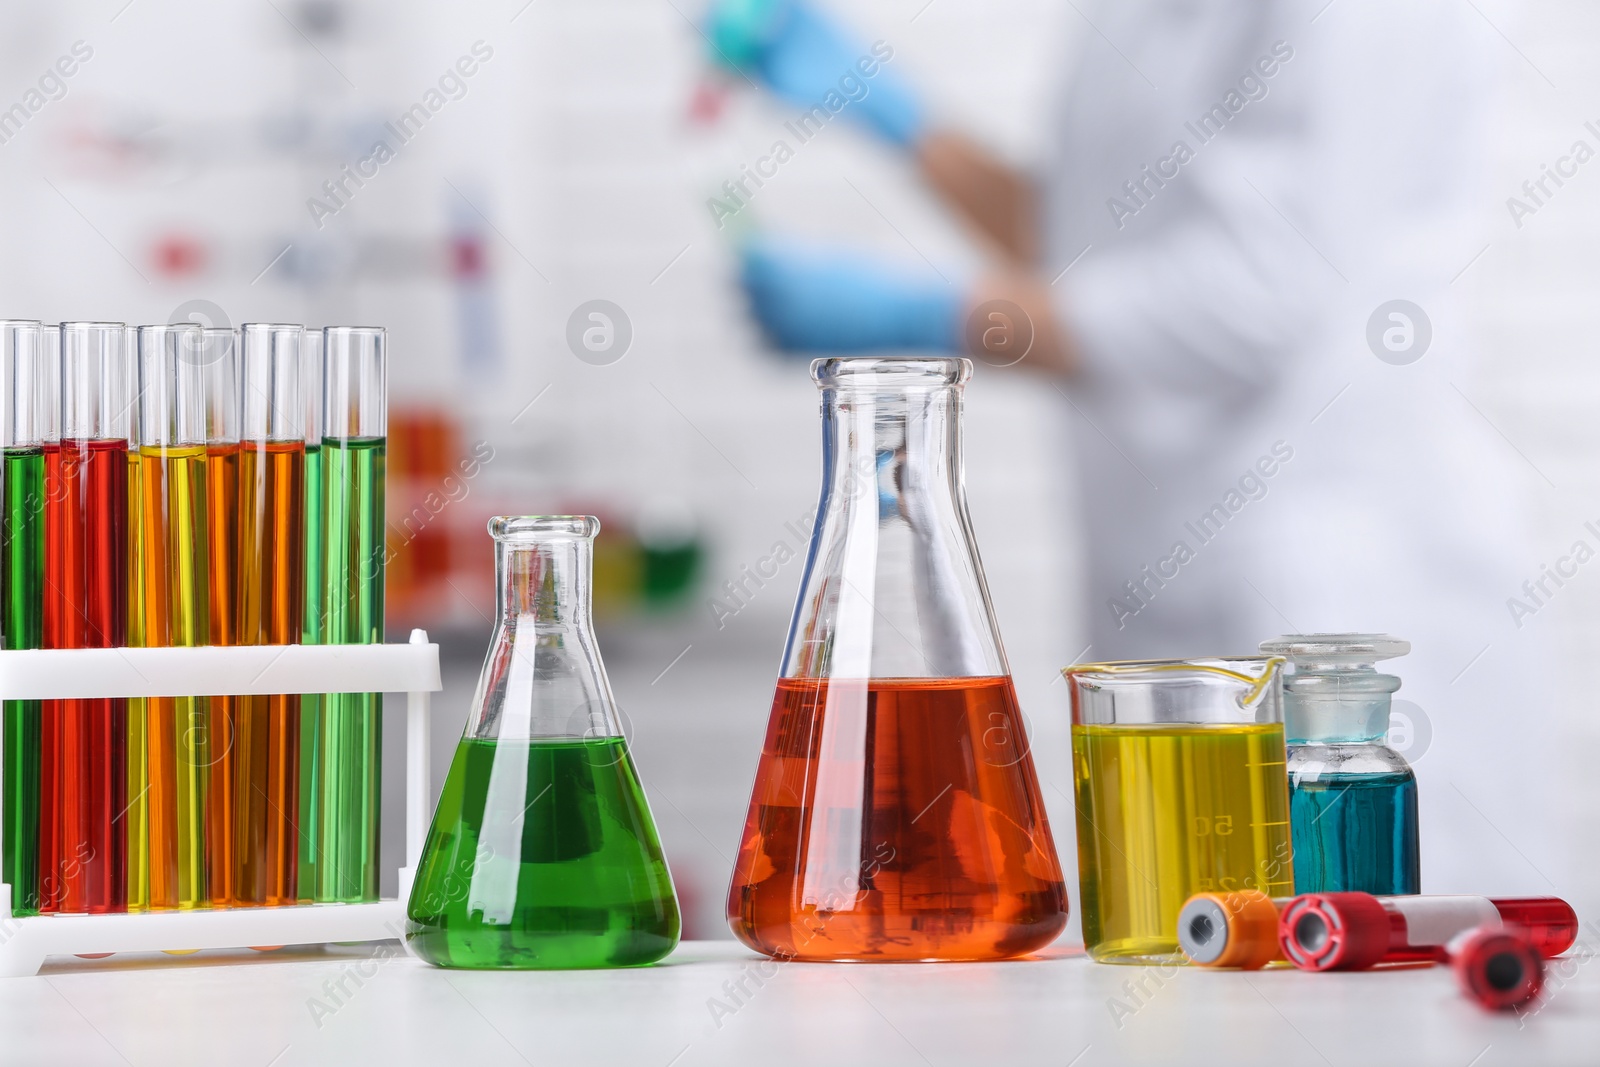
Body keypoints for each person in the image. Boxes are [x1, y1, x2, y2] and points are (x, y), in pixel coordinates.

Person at [709, 0, 1563, 899]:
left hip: (1331, 573)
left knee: (1372, 980)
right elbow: (1095, 245)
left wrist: (929, 315)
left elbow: (1245, 299)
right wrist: (897, 117)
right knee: (1185, 973)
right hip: (1165, 581)